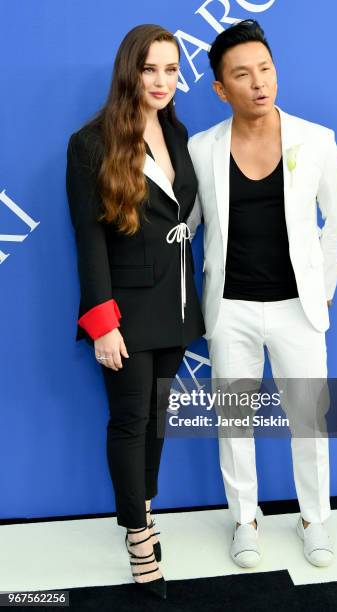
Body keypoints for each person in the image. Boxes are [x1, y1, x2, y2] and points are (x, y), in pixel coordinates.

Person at [187, 20, 337, 568]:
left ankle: (315, 520)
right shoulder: (200, 148)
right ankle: (245, 520)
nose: (258, 82)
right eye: (242, 74)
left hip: (297, 308)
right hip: (229, 307)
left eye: (265, 69)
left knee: (310, 419)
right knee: (235, 422)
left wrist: (323, 290)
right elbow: (184, 227)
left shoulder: (316, 139)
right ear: (220, 88)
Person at [66, 24, 205, 599]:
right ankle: (139, 536)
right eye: (151, 68)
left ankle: (141, 505)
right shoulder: (91, 142)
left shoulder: (179, 132)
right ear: (130, 70)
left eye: (172, 70)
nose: (162, 81)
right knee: (130, 422)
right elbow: (88, 238)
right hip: (122, 310)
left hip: (174, 306)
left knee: (158, 417)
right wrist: (102, 322)